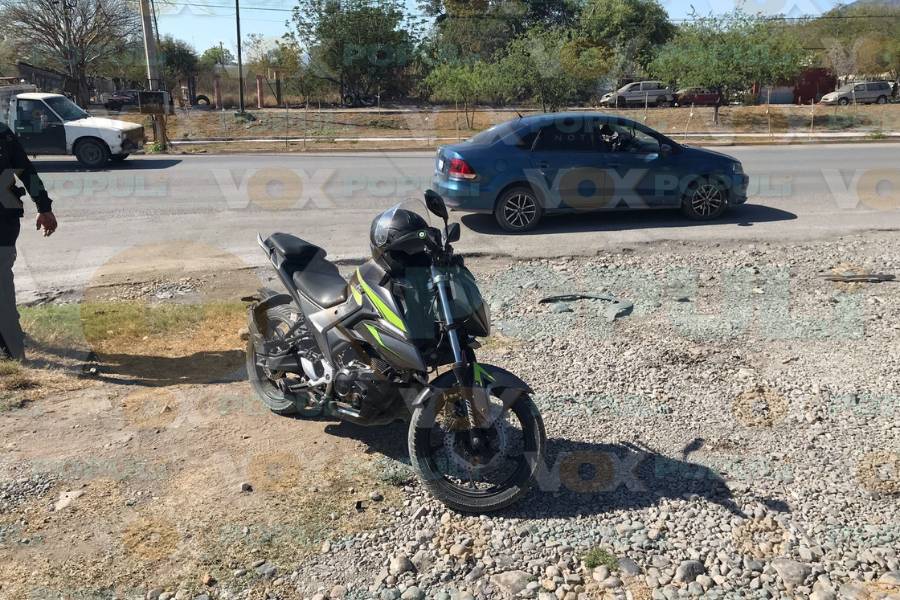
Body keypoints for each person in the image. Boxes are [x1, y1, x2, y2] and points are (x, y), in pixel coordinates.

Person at [0, 122, 57, 361]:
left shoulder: (2, 134)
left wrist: (44, 207)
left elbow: (26, 170)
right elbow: (27, 170)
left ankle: (12, 349)